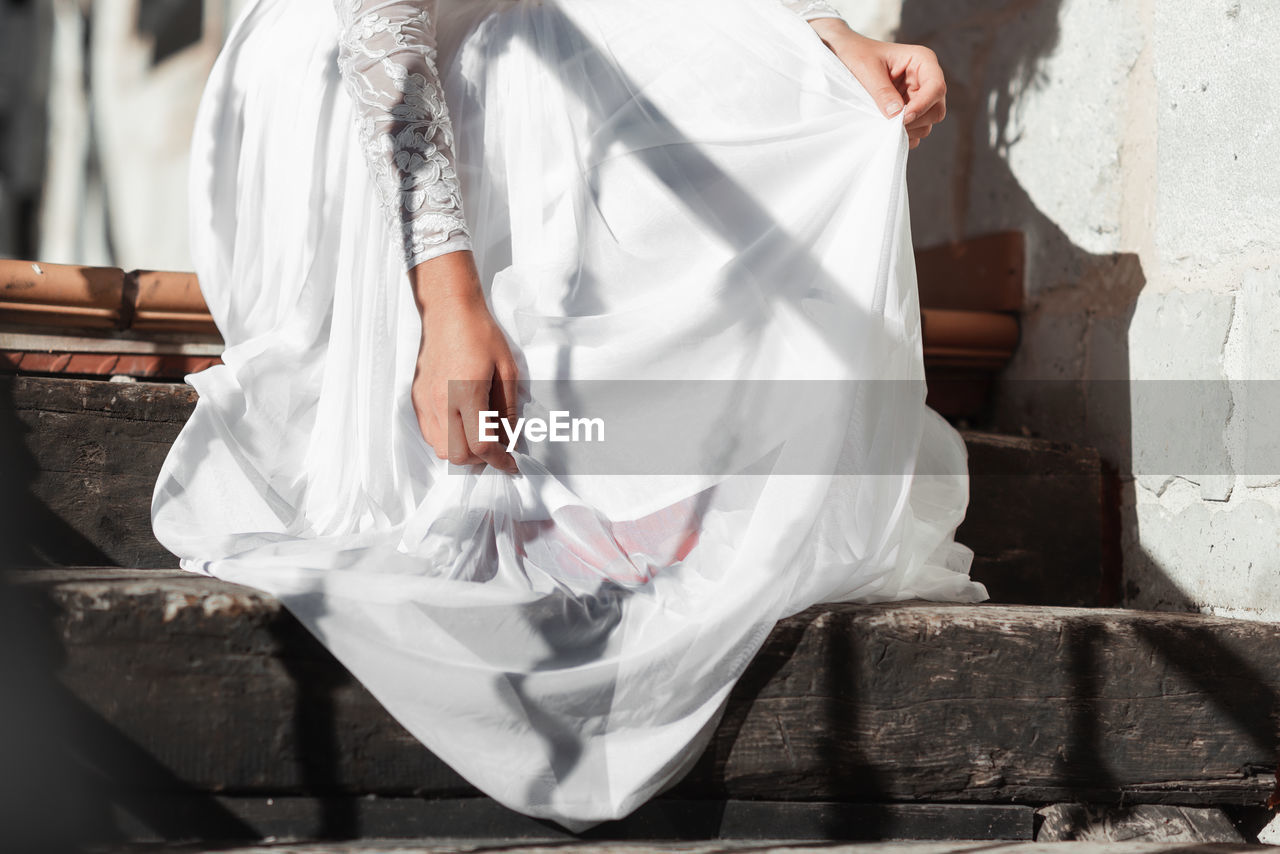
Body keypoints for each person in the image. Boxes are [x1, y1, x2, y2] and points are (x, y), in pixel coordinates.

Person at [152, 0, 990, 830]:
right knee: (534, 53)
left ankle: (644, 468)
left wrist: (817, 31)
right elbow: (384, 34)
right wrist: (448, 309)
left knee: (797, 78)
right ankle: (557, 479)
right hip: (358, 64)